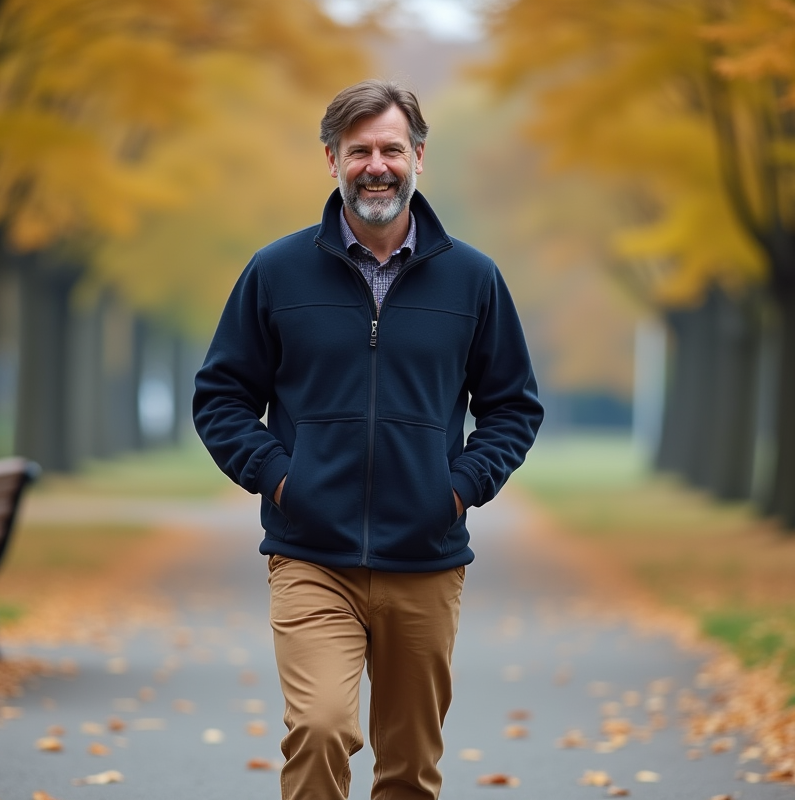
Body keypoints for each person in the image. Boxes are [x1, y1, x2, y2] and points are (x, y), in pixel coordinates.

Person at [192, 79, 544, 800]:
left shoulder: (474, 279)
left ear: (418, 157)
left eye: (391, 149)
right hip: (310, 556)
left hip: (427, 558)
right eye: (359, 151)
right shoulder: (275, 272)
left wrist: (458, 489)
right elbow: (221, 397)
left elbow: (513, 407)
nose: (375, 165)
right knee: (321, 728)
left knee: (409, 768)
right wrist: (283, 479)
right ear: (331, 160)